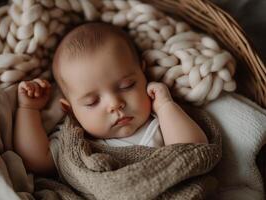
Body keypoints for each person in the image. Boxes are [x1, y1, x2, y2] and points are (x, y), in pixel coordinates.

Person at [14, 22, 208, 175]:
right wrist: (28, 109)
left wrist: (165, 105)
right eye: (92, 102)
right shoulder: (77, 144)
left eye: (127, 86)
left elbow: (194, 152)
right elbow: (36, 161)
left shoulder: (161, 124)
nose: (115, 104)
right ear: (70, 110)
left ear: (143, 73)